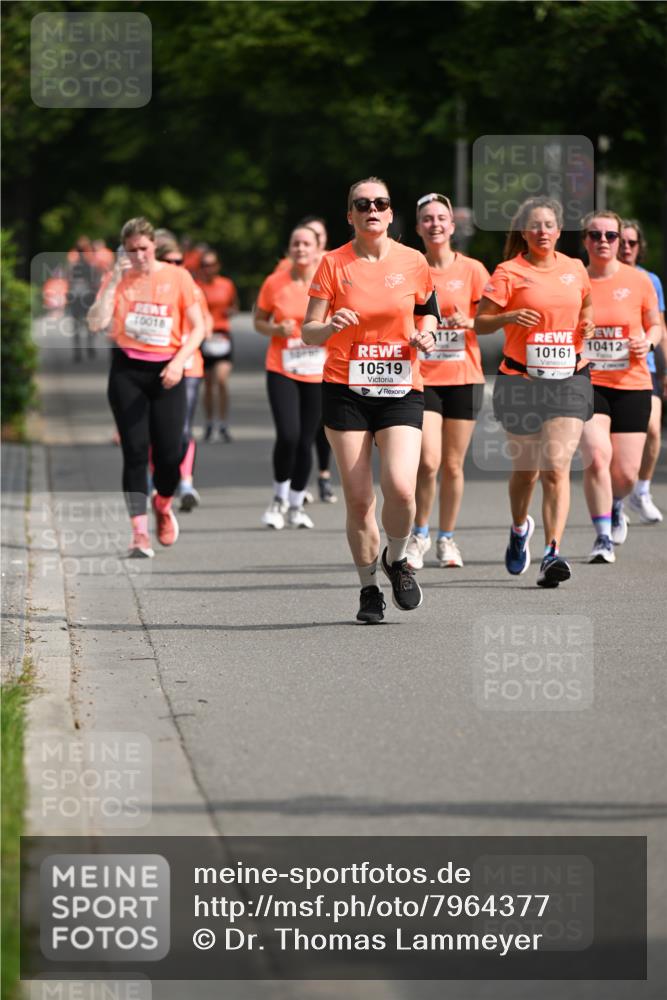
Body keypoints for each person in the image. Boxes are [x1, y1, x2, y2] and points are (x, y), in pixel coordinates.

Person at [303, 177, 438, 623]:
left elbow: (428, 313)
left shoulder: (414, 261)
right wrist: (331, 326)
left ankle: (396, 558)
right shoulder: (333, 264)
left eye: (380, 203)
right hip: (345, 388)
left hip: (401, 386)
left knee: (401, 486)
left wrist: (427, 336)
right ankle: (368, 589)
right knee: (359, 500)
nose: (372, 209)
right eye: (362, 204)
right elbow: (309, 329)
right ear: (350, 215)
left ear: (391, 213)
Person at [475, 196, 594, 588]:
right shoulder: (508, 271)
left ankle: (552, 553)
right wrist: (508, 316)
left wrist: (587, 324)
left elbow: (586, 304)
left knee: (556, 469)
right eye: (535, 226)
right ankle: (518, 527)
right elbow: (480, 323)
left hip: (569, 379)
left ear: (559, 230)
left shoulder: (575, 269)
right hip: (520, 381)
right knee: (526, 473)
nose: (543, 231)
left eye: (549, 225)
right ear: (524, 233)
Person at [87, 217, 204, 556]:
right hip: (128, 372)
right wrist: (113, 283)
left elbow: (197, 329)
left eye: (144, 249)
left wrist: (179, 362)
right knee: (135, 453)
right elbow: (96, 322)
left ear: (155, 247)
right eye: (131, 249)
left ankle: (163, 504)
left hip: (167, 370)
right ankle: (139, 533)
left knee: (170, 453)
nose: (138, 255)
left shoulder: (178, 277)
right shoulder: (118, 279)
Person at [406, 193, 489, 570]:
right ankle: (419, 534)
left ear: (453, 226)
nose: (435, 224)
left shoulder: (472, 270)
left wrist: (470, 321)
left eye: (442, 218)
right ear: (418, 226)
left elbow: (491, 318)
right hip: (422, 378)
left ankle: (447, 538)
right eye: (427, 219)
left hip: (463, 377)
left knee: (453, 466)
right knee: (428, 462)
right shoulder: (409, 268)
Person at [578, 212, 661, 562]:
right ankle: (602, 538)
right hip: (587, 380)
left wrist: (650, 343)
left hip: (632, 382)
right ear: (585, 240)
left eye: (610, 235)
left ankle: (615, 502)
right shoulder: (574, 278)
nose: (603, 241)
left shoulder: (639, 281)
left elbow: (654, 324)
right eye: (595, 234)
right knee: (597, 457)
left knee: (625, 475)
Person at [255, 225, 326, 529]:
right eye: (295, 243)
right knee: (288, 435)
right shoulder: (275, 282)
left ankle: (297, 504)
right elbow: (258, 320)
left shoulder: (326, 282)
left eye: (306, 244)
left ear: (315, 249)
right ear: (289, 248)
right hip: (282, 367)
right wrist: (275, 329)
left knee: (306, 440)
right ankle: (278, 499)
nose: (300, 249)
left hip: (317, 370)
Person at [155, 239, 213, 511]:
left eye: (179, 262)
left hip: (189, 366)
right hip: (158, 364)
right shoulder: (152, 289)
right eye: (169, 262)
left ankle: (186, 482)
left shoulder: (193, 289)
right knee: (158, 429)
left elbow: (207, 327)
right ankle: (157, 481)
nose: (175, 267)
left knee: (183, 428)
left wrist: (193, 329)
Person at [619, 219, 666, 524]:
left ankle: (642, 490)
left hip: (643, 368)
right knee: (614, 445)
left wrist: (665, 369)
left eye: (631, 242)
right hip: (604, 371)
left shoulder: (650, 280)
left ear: (639, 247)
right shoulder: (591, 276)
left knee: (652, 430)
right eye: (619, 240)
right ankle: (615, 503)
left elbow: (659, 326)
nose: (625, 247)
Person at [297, 215, 338, 504]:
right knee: (302, 428)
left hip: (329, 357)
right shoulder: (290, 269)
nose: (316, 242)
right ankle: (301, 479)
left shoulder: (335, 264)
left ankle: (324, 474)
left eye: (319, 237)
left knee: (324, 424)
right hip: (300, 355)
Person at [196, 250, 239, 442]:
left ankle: (223, 423)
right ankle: (209, 422)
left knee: (221, 380)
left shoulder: (226, 285)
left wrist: (230, 311)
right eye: (204, 265)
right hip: (204, 337)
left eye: (211, 264)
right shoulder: (196, 287)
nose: (208, 268)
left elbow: (235, 305)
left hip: (222, 336)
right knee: (207, 383)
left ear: (217, 266)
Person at [67, 235, 101, 361]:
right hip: (84, 298)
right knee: (85, 324)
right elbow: (95, 283)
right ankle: (86, 348)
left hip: (80, 298)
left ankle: (80, 350)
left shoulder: (74, 265)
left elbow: (69, 282)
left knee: (79, 325)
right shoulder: (89, 266)